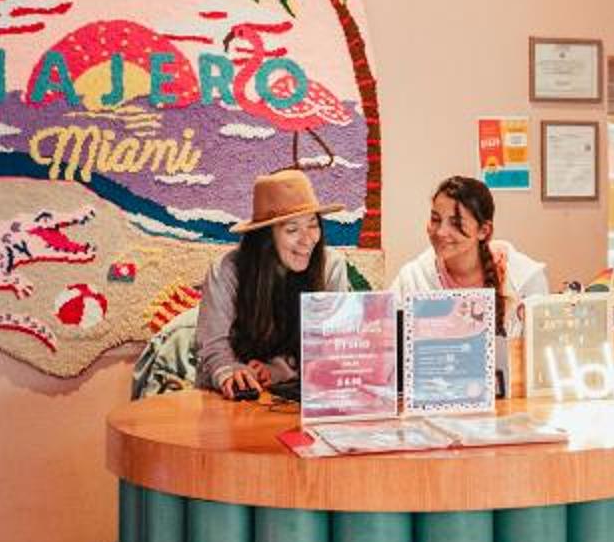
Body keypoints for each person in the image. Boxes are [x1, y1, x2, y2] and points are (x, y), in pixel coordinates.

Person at [192, 168, 365, 398]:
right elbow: (213, 348)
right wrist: (230, 372)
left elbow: (333, 346)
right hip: (233, 399)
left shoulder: (331, 266)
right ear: (265, 238)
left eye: (313, 225)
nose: (307, 240)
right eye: (292, 229)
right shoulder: (226, 271)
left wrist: (280, 370)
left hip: (300, 395)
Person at [391, 175, 550, 389]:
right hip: (437, 401)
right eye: (436, 219)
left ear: (484, 231)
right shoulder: (412, 278)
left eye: (456, 223)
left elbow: (542, 361)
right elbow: (388, 352)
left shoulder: (524, 279)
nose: (441, 232)